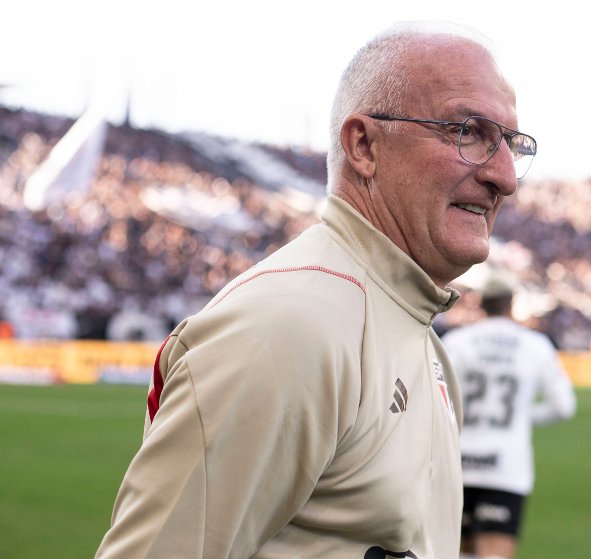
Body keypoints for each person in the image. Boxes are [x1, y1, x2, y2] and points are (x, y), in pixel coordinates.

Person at [96, 21, 537, 559]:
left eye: (511, 144)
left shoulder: (417, 332)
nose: (506, 177)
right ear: (363, 146)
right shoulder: (289, 326)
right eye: (468, 132)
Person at [442, 270, 576, 559]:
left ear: (482, 303)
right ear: (511, 303)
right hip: (507, 468)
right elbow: (564, 407)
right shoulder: (536, 345)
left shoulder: (457, 341)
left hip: (457, 464)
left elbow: (440, 400)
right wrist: (522, 417)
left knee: (454, 552)